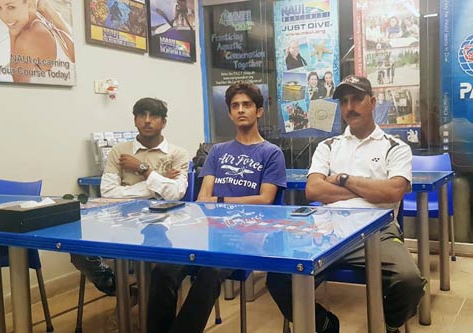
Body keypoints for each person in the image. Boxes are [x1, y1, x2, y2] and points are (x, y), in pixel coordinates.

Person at [267, 75, 425, 333]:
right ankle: (325, 325)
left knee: (408, 282)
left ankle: (390, 324)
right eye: (344, 101)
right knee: (279, 278)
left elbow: (393, 192)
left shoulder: (395, 147)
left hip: (378, 233)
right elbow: (313, 189)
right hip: (326, 230)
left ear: (372, 102)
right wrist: (371, 191)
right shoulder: (328, 146)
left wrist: (342, 179)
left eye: (357, 99)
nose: (350, 107)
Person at [147, 82, 287, 333]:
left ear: (259, 111)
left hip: (247, 236)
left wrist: (221, 201)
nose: (241, 110)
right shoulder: (217, 152)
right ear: (230, 113)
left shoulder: (271, 153)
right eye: (235, 106)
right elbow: (203, 198)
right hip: (208, 234)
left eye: (247, 105)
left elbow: (265, 199)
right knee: (162, 270)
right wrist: (214, 204)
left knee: (210, 273)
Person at [70, 97, 190, 330]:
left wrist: (142, 169)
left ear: (163, 122)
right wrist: (155, 184)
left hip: (162, 224)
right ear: (134, 120)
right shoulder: (119, 151)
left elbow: (175, 195)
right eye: (141, 115)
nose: (147, 121)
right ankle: (123, 292)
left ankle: (146, 304)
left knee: (157, 261)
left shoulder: (177, 154)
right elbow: (108, 191)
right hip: (119, 220)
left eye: (153, 116)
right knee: (78, 251)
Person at [0, 0, 75, 83]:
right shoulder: (44, 8)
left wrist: (13, 35)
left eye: (11, 7)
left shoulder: (28, 39)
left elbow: (18, 81)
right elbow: (73, 51)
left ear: (29, 2)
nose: (4, 17)